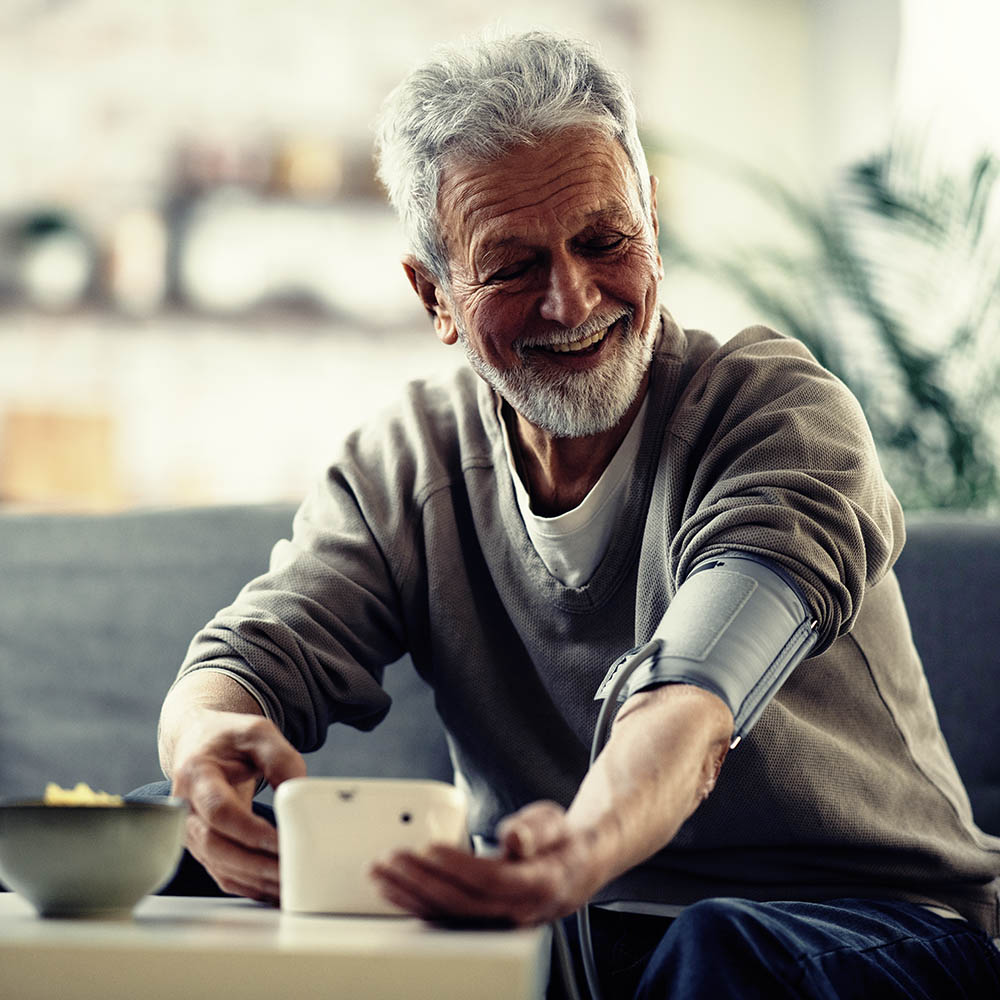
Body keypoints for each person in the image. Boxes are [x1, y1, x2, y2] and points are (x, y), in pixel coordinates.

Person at [153, 31, 1000, 998]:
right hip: (569, 929)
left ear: (653, 231)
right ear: (435, 295)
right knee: (165, 836)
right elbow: (245, 659)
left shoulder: (777, 416)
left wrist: (580, 852)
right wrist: (204, 752)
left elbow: (692, 701)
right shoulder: (408, 460)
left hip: (870, 922)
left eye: (605, 242)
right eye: (512, 267)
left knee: (716, 953)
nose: (573, 299)